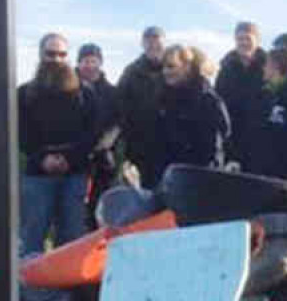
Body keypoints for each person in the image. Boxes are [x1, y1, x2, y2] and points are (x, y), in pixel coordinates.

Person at [17, 32, 98, 254]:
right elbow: (20, 133)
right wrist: (43, 159)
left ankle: (68, 288)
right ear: (41, 55)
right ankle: (28, 286)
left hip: (75, 173)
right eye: (51, 54)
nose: (57, 59)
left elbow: (92, 133)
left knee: (72, 236)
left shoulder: (86, 93)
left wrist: (69, 159)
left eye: (62, 54)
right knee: (32, 234)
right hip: (37, 173)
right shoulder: (23, 94)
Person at [152, 44, 231, 185]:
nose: (165, 71)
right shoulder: (162, 98)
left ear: (187, 67)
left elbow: (215, 147)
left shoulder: (207, 100)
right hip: (167, 180)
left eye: (171, 66)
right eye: (163, 67)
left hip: (199, 183)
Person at [240, 46, 287, 181]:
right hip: (260, 171)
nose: (264, 68)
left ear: (277, 66)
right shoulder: (263, 95)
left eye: (267, 64)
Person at [76, 42, 120, 226]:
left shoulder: (112, 92)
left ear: (100, 63)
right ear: (79, 63)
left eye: (94, 61)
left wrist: (107, 142)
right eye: (85, 61)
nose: (90, 66)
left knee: (100, 210)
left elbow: (119, 121)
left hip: (103, 160)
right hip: (75, 159)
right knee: (75, 212)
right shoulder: (68, 88)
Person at [117, 26, 166, 187]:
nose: (153, 45)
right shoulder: (131, 72)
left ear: (163, 42)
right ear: (142, 44)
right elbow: (121, 106)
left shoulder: (174, 67)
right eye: (148, 41)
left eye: (156, 40)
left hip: (171, 146)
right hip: (141, 148)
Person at [215, 21, 267, 166]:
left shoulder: (269, 67)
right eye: (240, 39)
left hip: (261, 139)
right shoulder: (225, 70)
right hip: (233, 137)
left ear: (257, 40)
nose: (243, 43)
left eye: (248, 39)